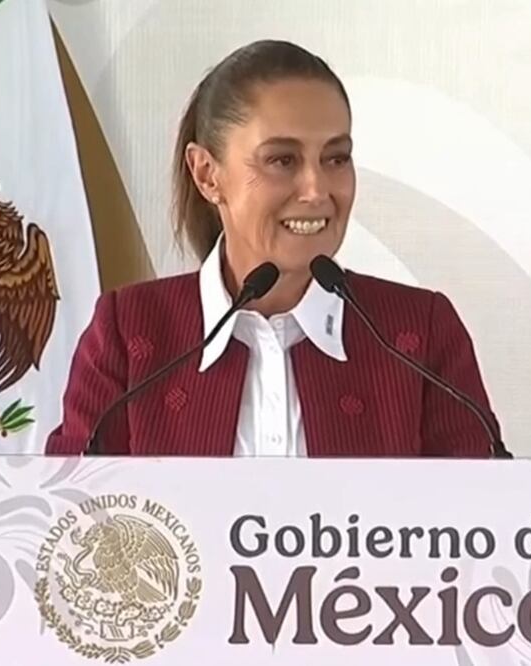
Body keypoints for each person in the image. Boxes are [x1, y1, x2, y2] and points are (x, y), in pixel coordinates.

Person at [45, 39, 501, 458]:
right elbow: (64, 521)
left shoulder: (420, 333)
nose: (316, 189)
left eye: (335, 158)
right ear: (207, 174)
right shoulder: (129, 334)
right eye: (282, 160)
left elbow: (487, 519)